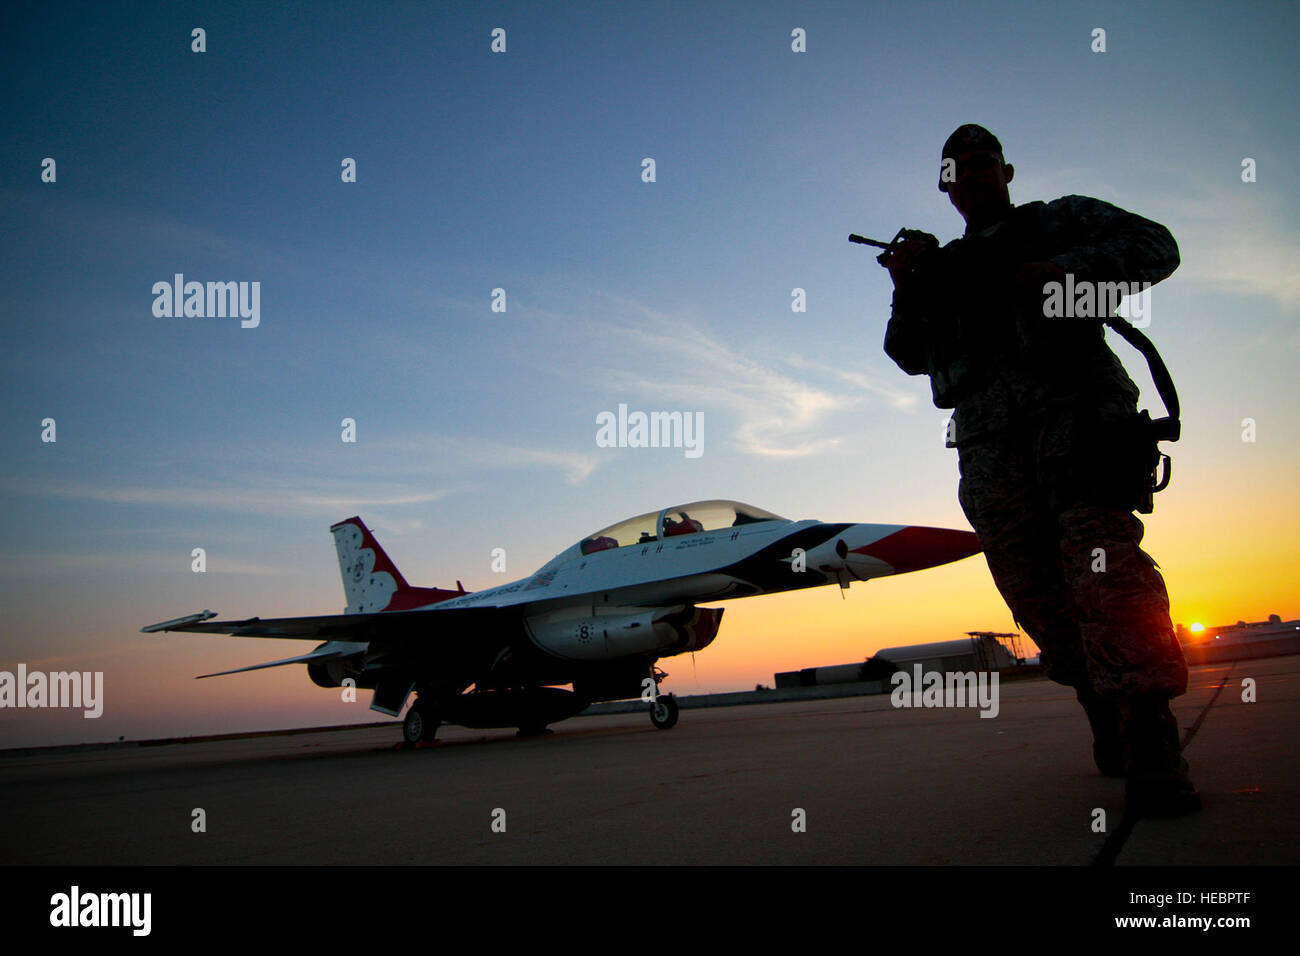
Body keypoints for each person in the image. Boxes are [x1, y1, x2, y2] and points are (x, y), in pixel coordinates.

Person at [881, 124, 1199, 816]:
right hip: (990, 448)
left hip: (1079, 416)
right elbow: (907, 353)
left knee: (1106, 572)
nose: (970, 174)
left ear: (1007, 170)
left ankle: (1150, 736)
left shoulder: (1060, 221)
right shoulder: (945, 268)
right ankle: (1098, 700)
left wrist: (1064, 276)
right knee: (1036, 597)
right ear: (946, 186)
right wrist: (908, 285)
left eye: (983, 162)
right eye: (955, 169)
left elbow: (1157, 248)